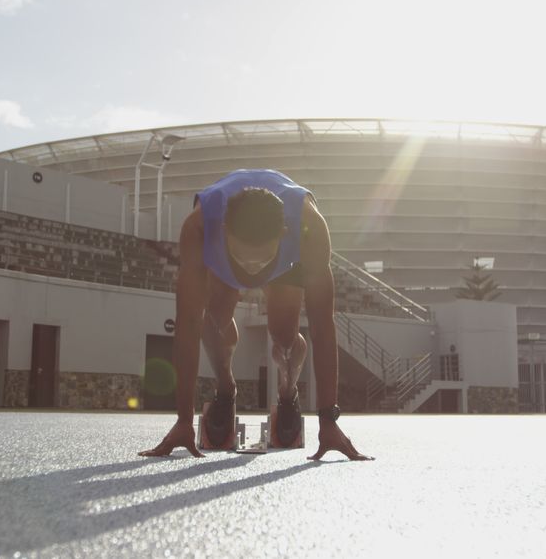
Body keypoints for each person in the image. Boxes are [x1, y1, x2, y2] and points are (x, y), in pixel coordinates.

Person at [138, 169, 373, 461]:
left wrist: (329, 421)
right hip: (224, 259)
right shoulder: (199, 226)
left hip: (284, 266)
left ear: (283, 233)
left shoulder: (309, 225)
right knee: (212, 321)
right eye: (244, 257)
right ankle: (225, 389)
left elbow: (323, 326)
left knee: (284, 337)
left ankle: (288, 395)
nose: (251, 270)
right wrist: (183, 420)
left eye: (260, 258)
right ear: (223, 229)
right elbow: (187, 323)